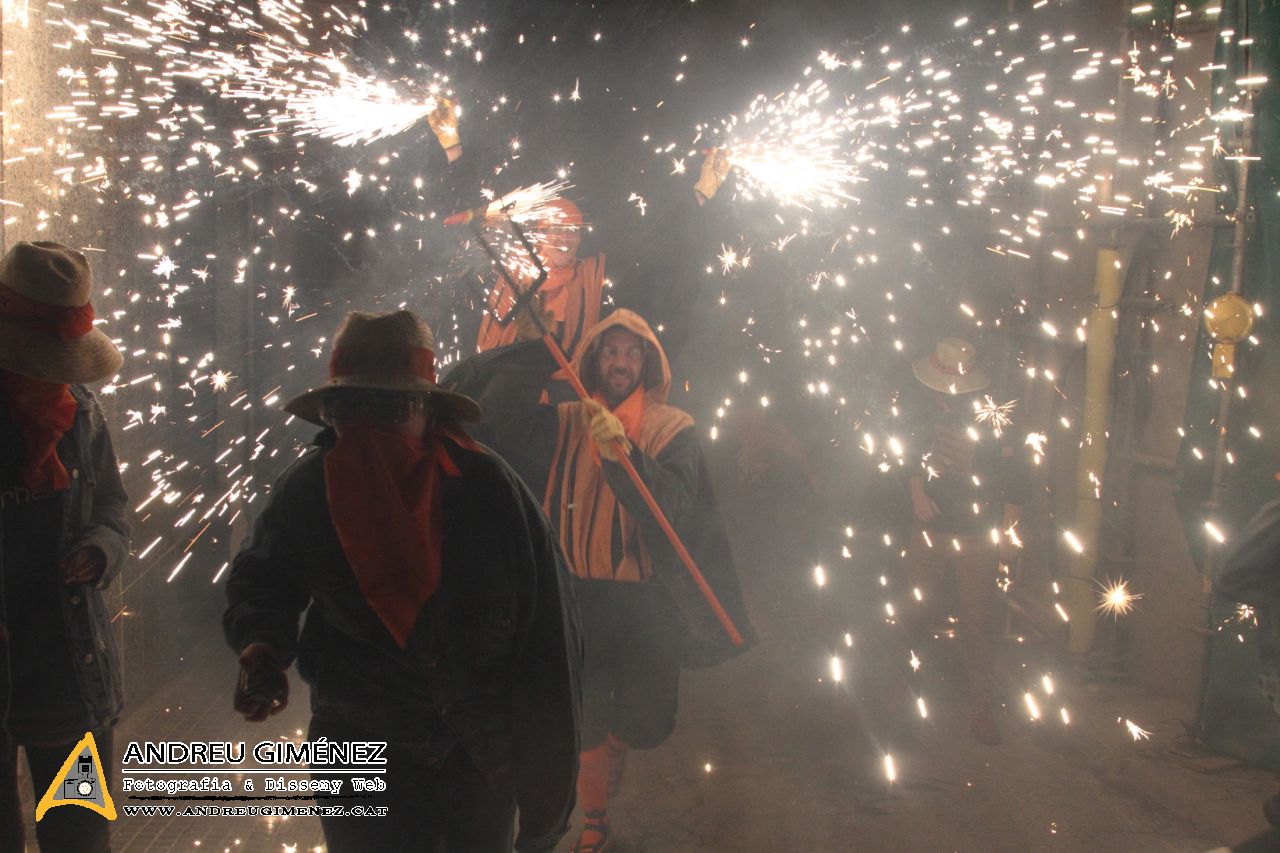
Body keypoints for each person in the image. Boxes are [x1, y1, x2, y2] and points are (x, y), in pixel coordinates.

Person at [223, 310, 582, 853]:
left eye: (390, 410)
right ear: (328, 416)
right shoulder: (309, 490)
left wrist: (545, 806)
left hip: (475, 752)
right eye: (347, 410)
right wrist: (262, 648)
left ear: (428, 413)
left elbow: (547, 650)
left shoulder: (490, 495)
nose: (367, 434)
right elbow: (264, 577)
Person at [449, 308, 752, 853]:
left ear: (647, 362)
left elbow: (676, 507)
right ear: (594, 358)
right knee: (581, 719)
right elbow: (493, 426)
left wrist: (624, 453)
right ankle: (595, 821)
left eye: (632, 352)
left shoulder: (672, 427)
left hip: (646, 601)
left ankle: (618, 741)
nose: (620, 362)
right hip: (574, 598)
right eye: (610, 351)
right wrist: (530, 355)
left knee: (650, 722)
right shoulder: (565, 419)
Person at [0, 241, 130, 852]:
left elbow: (111, 505)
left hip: (67, 668)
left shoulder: (82, 412)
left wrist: (102, 548)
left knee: (78, 834)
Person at [474, 150, 733, 368]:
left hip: (569, 408)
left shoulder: (592, 276)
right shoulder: (515, 280)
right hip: (511, 400)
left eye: (572, 230)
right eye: (556, 229)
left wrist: (698, 196)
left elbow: (656, 246)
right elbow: (489, 352)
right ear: (540, 234)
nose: (565, 238)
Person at [902, 337, 1026, 746]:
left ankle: (982, 706)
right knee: (916, 611)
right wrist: (917, 493)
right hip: (931, 531)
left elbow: (1013, 476)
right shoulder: (922, 407)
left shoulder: (992, 416)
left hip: (977, 536)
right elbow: (908, 452)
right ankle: (907, 688)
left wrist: (1009, 530)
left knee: (978, 623)